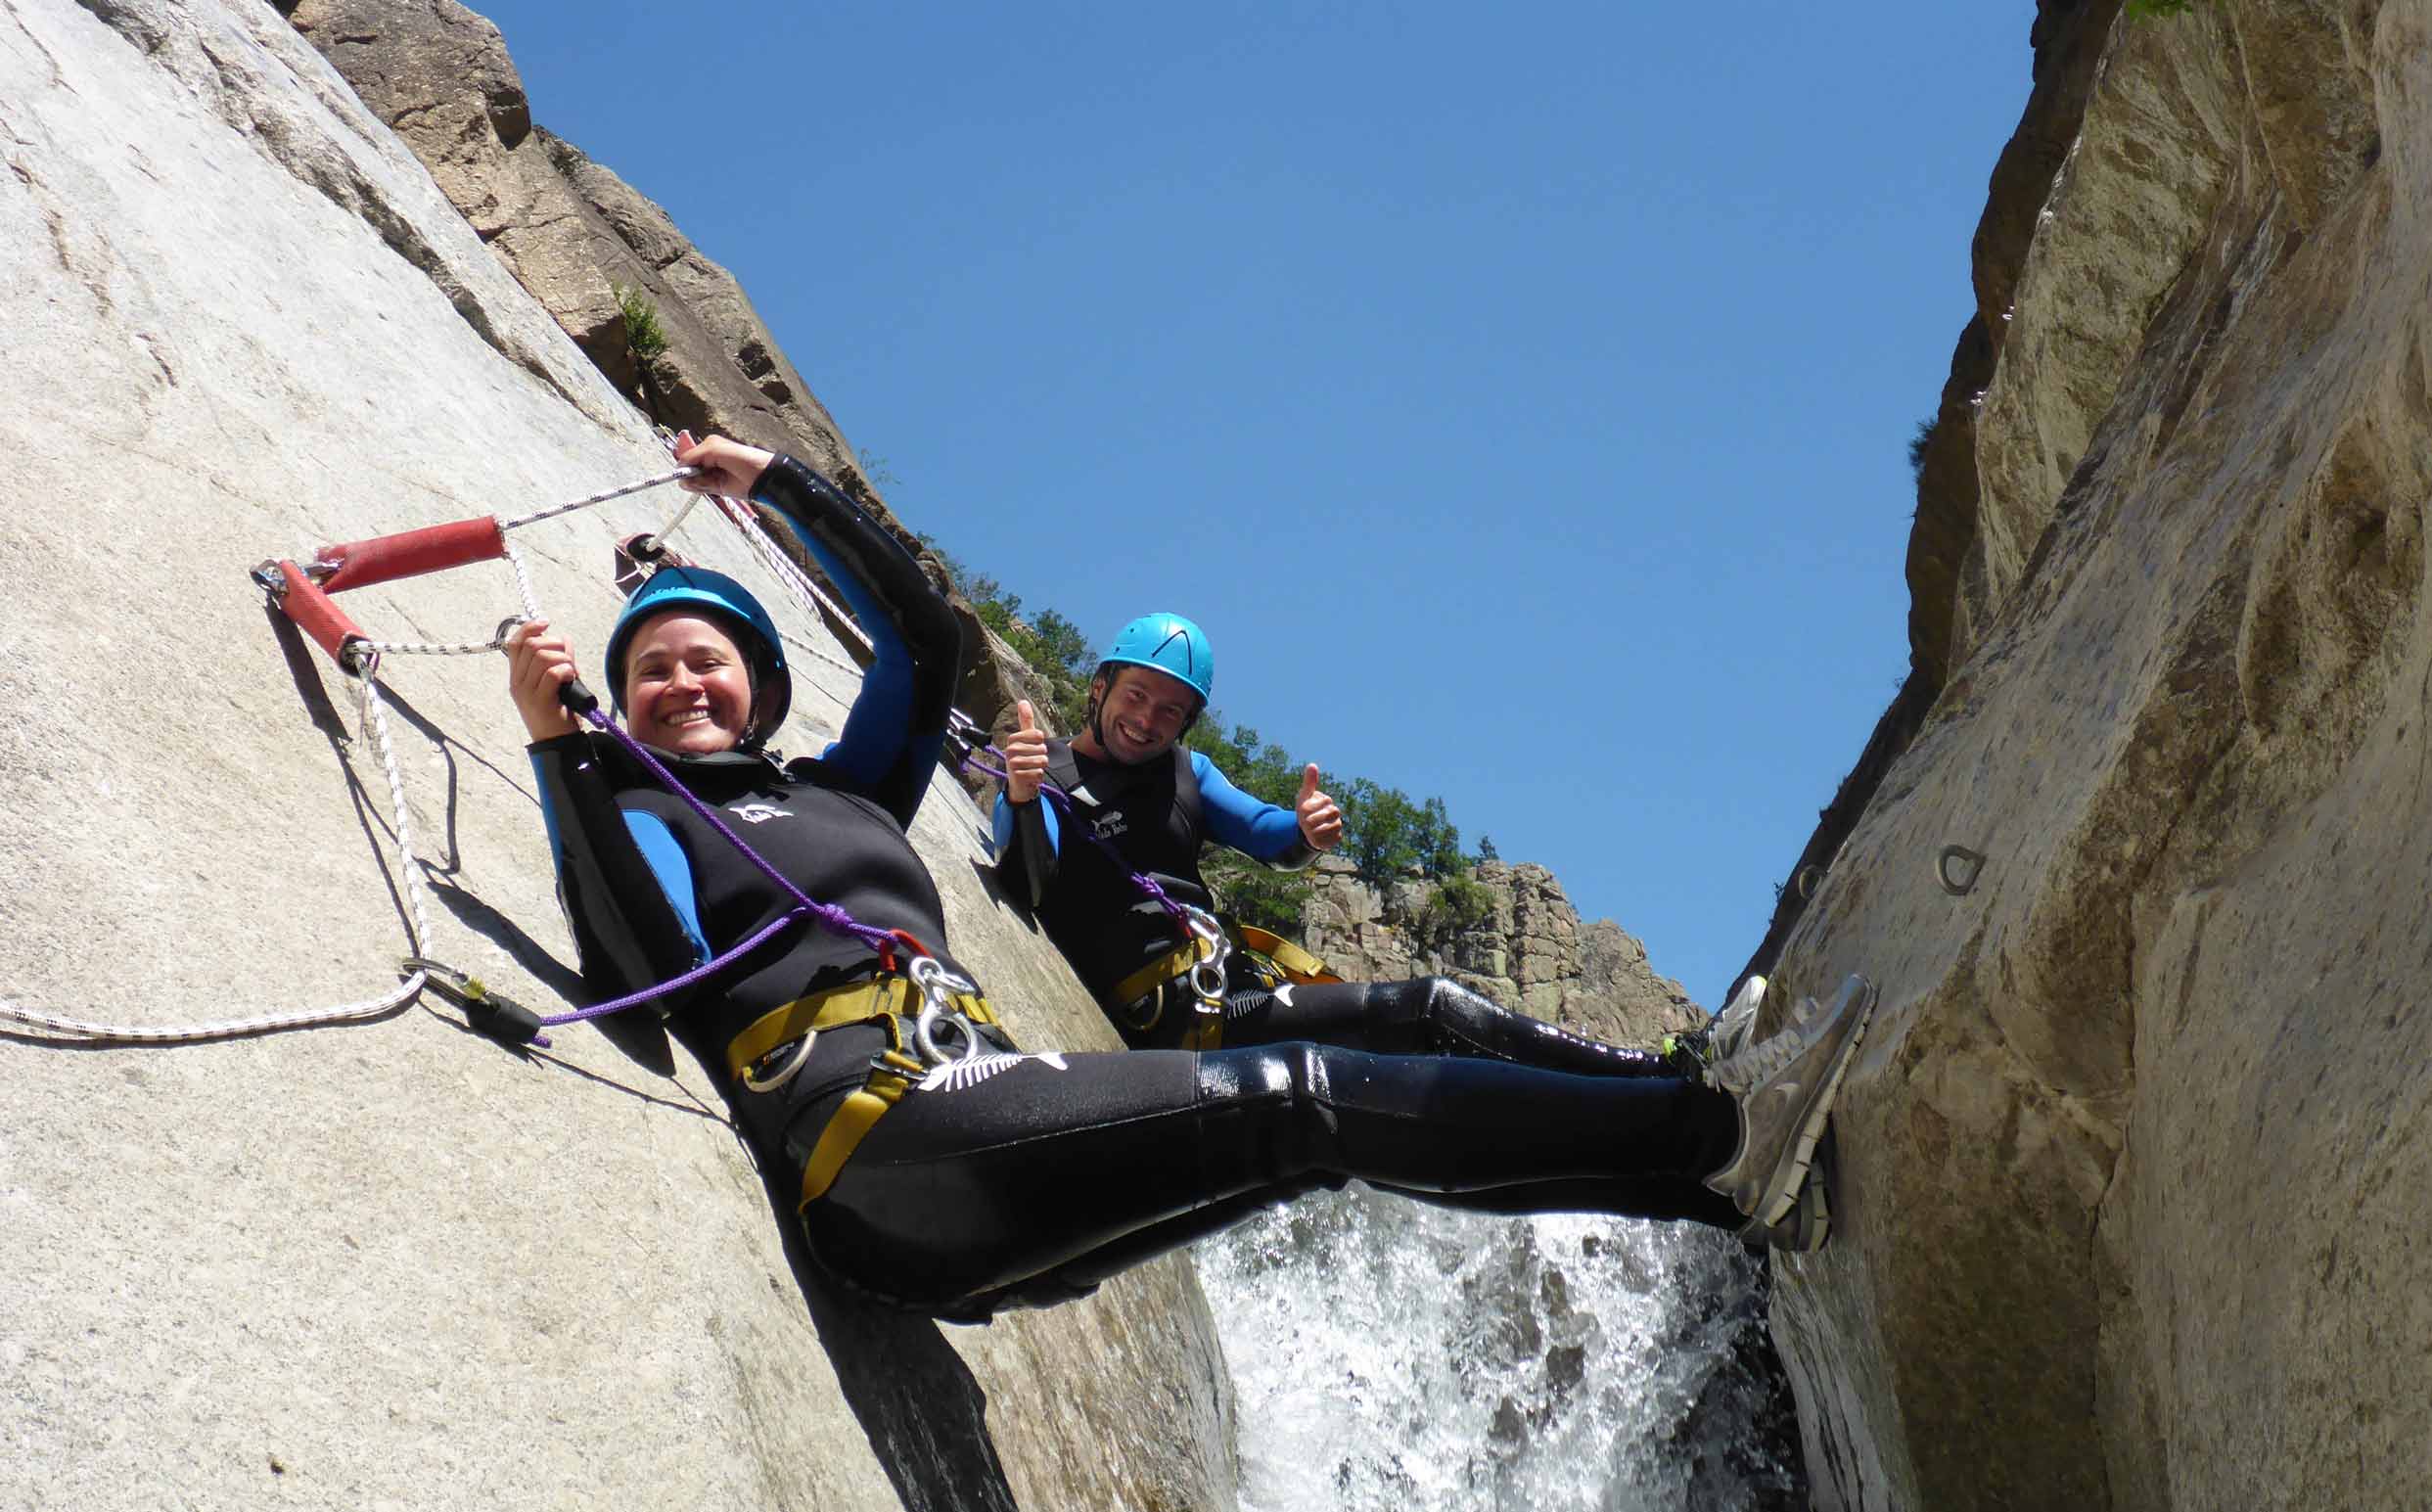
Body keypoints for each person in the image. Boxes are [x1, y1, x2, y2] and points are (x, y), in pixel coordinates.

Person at [505, 433, 1874, 1321]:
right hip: (883, 1140)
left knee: (1338, 1135)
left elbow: (922, 635)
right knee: (1313, 1099)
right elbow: (637, 979)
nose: (682, 679)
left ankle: (1707, 1193)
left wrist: (782, 489)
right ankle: (1713, 1131)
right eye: (652, 668)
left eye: (707, 657)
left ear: (760, 685)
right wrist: (563, 748)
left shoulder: (845, 789)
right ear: (621, 702)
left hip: (967, 1123)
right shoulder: (646, 813)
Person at [990, 620, 1791, 1239]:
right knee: (1430, 1012)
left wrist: (1306, 827)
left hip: (1231, 995)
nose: (1149, 719)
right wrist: (1024, 799)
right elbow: (1031, 884)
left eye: (1172, 709)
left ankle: (1699, 1178)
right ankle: (1676, 1085)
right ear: (1099, 686)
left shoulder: (1184, 775)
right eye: (1137, 694)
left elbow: (1269, 835)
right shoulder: (1046, 777)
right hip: (1181, 1026)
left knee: (1434, 1102)